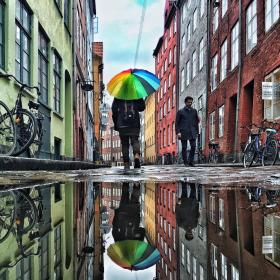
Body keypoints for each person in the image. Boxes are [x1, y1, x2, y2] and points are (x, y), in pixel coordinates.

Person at [112, 98, 145, 170]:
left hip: (122, 124)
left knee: (125, 144)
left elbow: (114, 110)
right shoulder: (136, 93)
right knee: (135, 141)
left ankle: (126, 164)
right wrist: (140, 99)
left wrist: (116, 123)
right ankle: (136, 156)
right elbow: (142, 108)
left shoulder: (118, 94)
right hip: (134, 123)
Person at [175, 96, 199, 167]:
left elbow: (196, 122)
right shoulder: (180, 112)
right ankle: (185, 162)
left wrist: (197, 131)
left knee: (193, 146)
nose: (190, 103)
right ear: (185, 102)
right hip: (183, 132)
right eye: (188, 102)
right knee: (184, 147)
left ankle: (191, 161)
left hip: (192, 131)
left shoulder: (194, 111)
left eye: (191, 102)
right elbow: (177, 123)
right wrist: (178, 132)